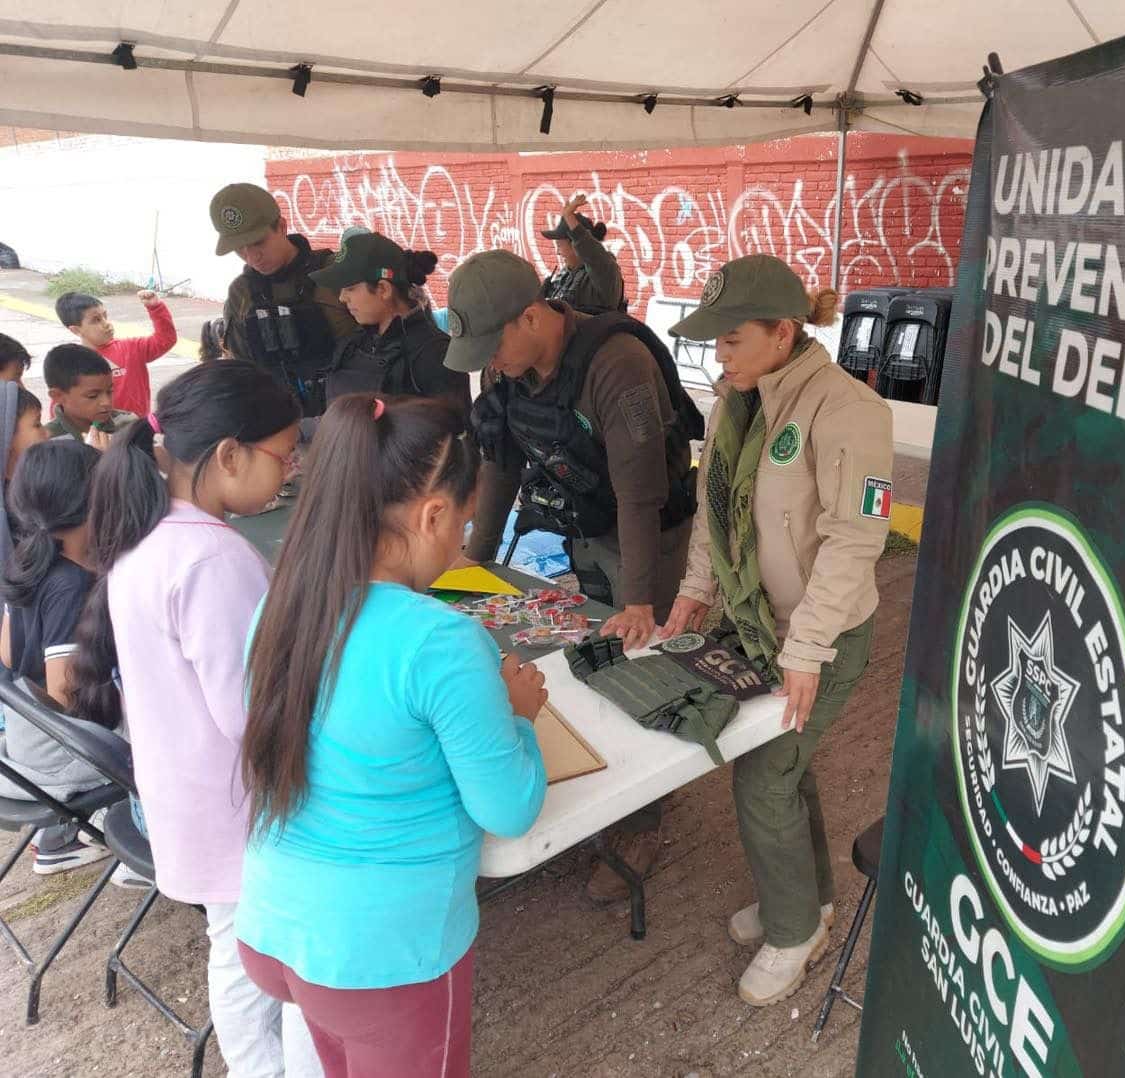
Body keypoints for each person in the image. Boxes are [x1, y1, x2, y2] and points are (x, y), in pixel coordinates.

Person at [236, 394, 547, 1077]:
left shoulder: (279, 606)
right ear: (433, 515)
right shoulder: (440, 640)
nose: (461, 544)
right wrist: (519, 719)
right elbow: (508, 809)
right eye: (464, 525)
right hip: (381, 956)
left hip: (272, 924)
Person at [68, 361, 319, 1077]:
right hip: (238, 806)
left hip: (189, 796)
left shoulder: (152, 534)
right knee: (288, 961)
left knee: (238, 952)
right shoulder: (212, 558)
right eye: (284, 454)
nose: (291, 470)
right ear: (230, 454)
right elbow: (251, 712)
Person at [658, 254, 893, 1008]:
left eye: (731, 339)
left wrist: (809, 649)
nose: (718, 355)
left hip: (822, 636)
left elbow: (856, 540)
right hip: (759, 627)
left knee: (765, 777)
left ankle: (794, 932)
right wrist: (695, 591)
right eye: (715, 341)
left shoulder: (849, 410)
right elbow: (716, 510)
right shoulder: (737, 401)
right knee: (785, 768)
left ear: (783, 332)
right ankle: (809, 899)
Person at [446, 249, 704, 901]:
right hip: (584, 526)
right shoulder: (504, 366)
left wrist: (639, 600)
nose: (487, 363)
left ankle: (642, 820)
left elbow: (641, 495)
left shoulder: (618, 364)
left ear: (531, 316)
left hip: (647, 534)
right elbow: (500, 461)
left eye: (492, 346)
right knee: (584, 654)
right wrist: (478, 556)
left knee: (642, 663)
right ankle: (599, 775)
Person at [0, 440, 109, 875]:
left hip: (25, 742)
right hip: (61, 754)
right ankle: (105, 831)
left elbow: (8, 655)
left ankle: (63, 834)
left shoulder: (26, 560)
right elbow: (63, 692)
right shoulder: (71, 584)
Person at [211, 182, 358, 417]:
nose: (252, 257)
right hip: (280, 422)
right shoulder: (241, 293)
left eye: (259, 242)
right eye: (240, 249)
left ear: (281, 226)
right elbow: (242, 370)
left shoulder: (336, 274)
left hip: (350, 417)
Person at [311, 229, 469, 409]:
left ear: (383, 289)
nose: (342, 298)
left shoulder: (435, 355)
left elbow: (453, 423)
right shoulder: (353, 344)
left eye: (350, 288)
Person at [55, 289, 177, 415]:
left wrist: (156, 308)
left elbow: (165, 339)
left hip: (137, 425)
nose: (106, 324)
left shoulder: (132, 348)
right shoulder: (71, 366)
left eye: (105, 316)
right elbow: (60, 408)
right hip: (98, 427)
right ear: (76, 330)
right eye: (96, 320)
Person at [540, 193, 626, 314]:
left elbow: (592, 253)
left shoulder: (605, 272)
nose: (558, 252)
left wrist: (569, 218)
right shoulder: (567, 273)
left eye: (559, 245)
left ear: (575, 246)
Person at [42, 344, 137, 446]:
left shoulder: (128, 425)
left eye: (110, 391)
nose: (106, 402)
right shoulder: (47, 441)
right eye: (93, 396)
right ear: (58, 396)